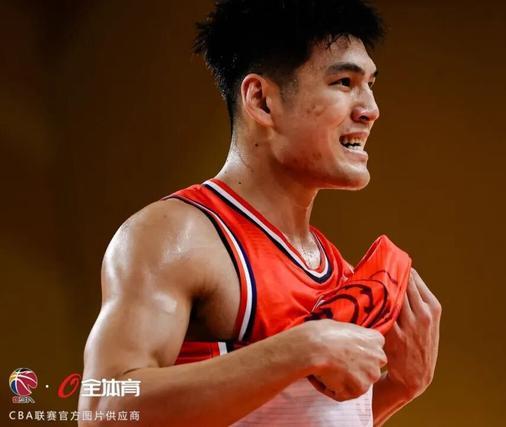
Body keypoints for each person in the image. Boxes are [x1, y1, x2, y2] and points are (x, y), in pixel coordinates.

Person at [80, 0, 441, 425]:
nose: (370, 109)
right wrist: (301, 349)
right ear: (262, 101)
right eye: (344, 82)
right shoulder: (177, 236)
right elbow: (103, 407)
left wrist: (399, 387)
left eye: (370, 85)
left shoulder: (339, 274)